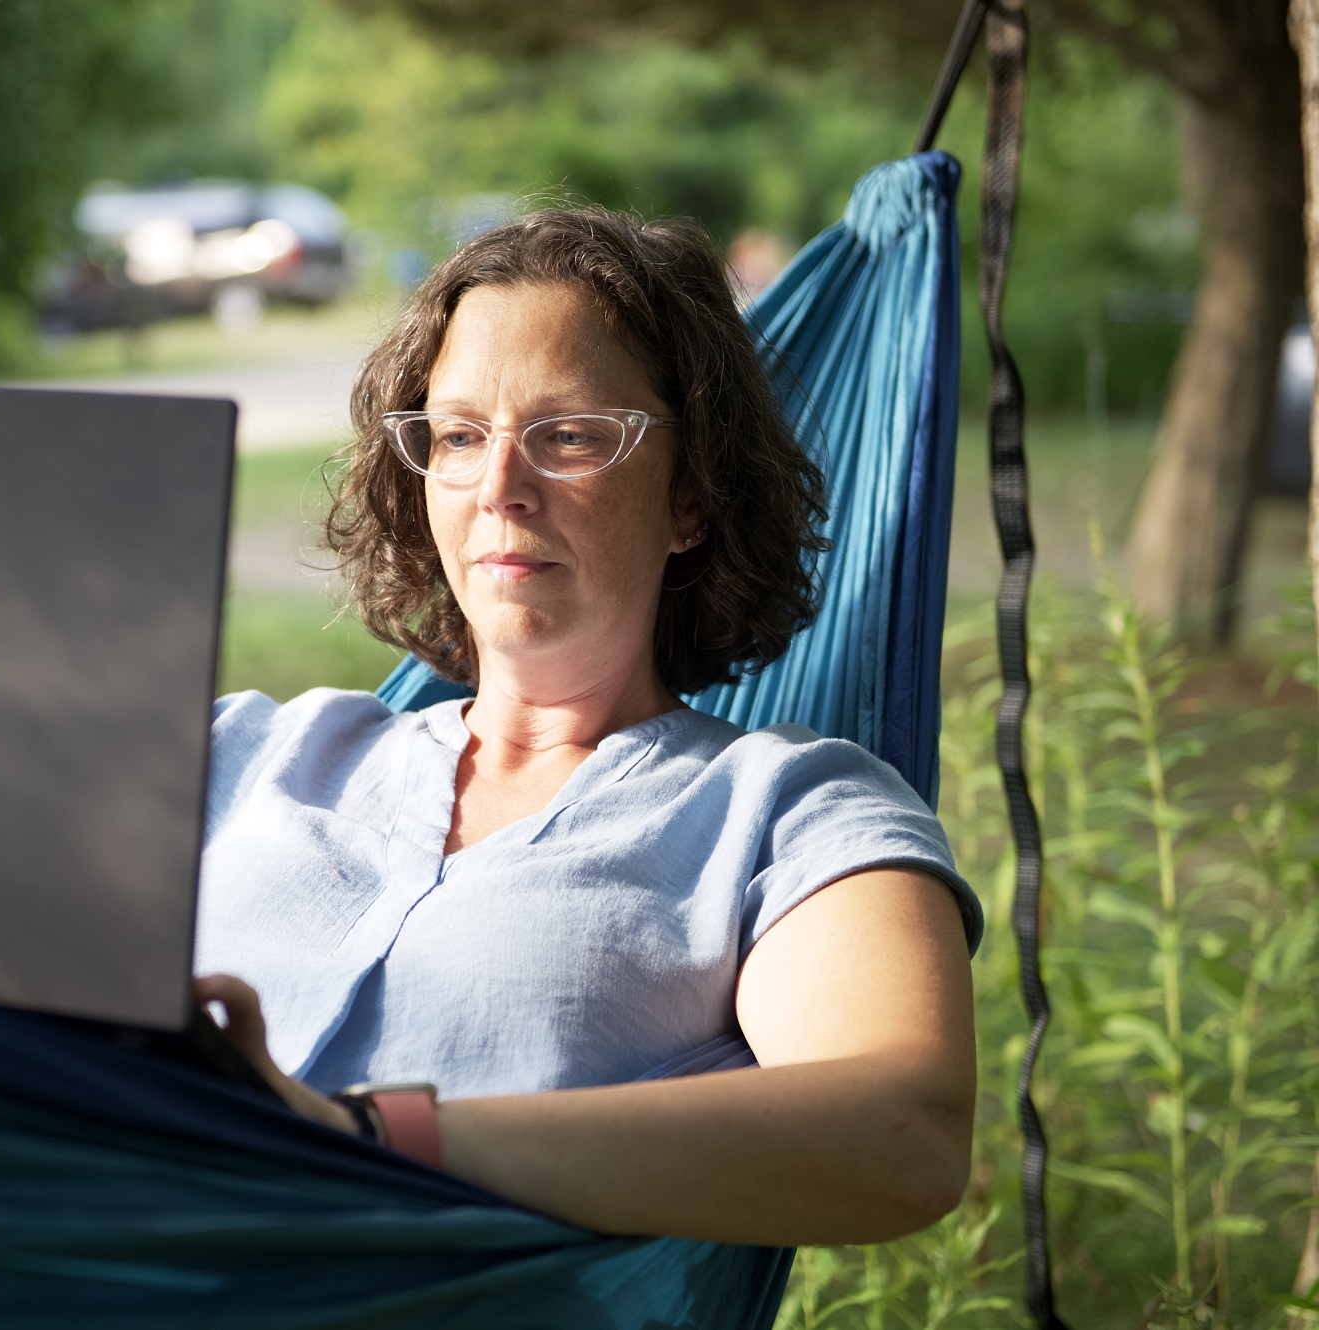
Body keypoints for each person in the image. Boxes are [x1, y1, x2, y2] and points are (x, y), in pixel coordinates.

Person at [192, 206, 983, 1247]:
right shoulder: (247, 751)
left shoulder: (780, 815)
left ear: (690, 495)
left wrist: (364, 1135)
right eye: (460, 435)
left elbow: (899, 1132)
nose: (499, 490)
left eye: (568, 435)